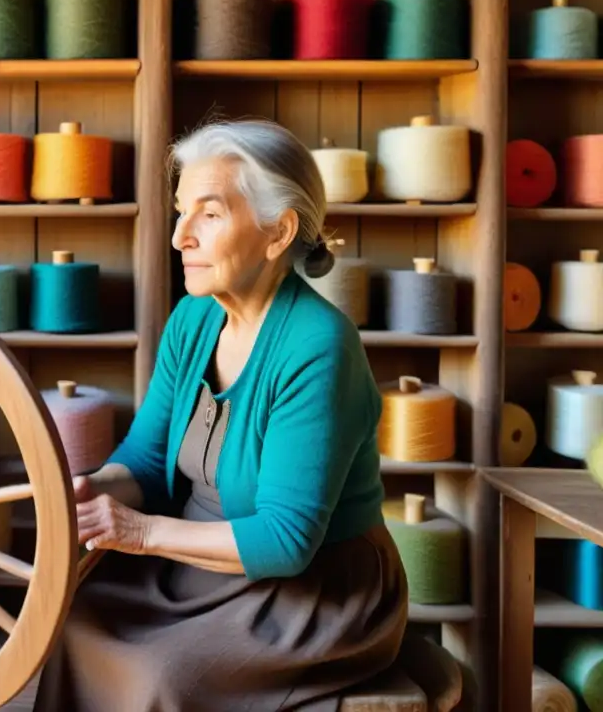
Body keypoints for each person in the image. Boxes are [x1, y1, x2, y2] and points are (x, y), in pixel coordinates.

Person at [33, 119, 408, 711]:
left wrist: (138, 532)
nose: (182, 235)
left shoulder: (318, 347)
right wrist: (88, 488)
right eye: (181, 211)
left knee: (161, 675)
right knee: (75, 619)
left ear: (278, 231)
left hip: (311, 594)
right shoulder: (193, 318)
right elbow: (149, 460)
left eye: (209, 214)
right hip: (197, 559)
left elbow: (286, 542)